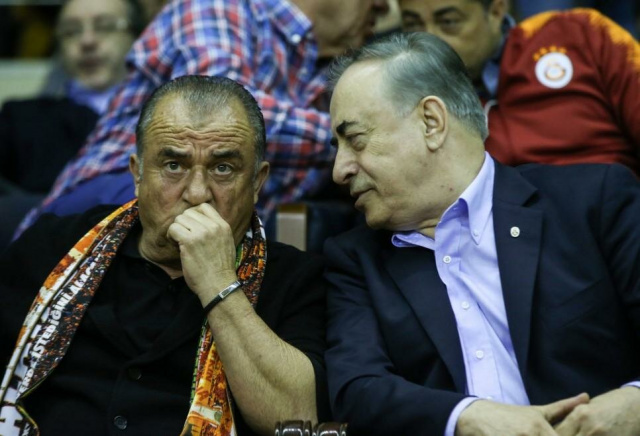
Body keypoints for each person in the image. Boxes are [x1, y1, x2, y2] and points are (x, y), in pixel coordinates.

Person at [324, 32, 640, 436]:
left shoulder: (593, 203)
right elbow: (357, 391)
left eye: (355, 140)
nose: (339, 170)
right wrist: (466, 417)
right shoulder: (356, 259)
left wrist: (634, 403)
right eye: (336, 147)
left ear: (431, 122)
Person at [0, 75, 329, 436]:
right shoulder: (56, 247)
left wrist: (218, 281)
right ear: (137, 174)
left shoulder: (295, 279)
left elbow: (297, 420)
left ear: (256, 183)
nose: (197, 193)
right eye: (174, 165)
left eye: (223, 168)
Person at [16, 0, 390, 238]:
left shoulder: (328, 70)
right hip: (122, 192)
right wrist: (359, 134)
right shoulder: (219, 7)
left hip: (227, 216)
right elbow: (215, 120)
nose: (384, 7)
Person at [397, 0, 640, 175]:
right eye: (412, 24)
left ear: (496, 10)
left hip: (616, 212)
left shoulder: (583, 34)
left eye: (448, 22)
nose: (429, 40)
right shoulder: (411, 100)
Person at [0, 0, 144, 250]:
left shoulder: (160, 115)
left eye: (105, 26)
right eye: (71, 31)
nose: (87, 41)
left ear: (139, 37)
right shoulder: (22, 117)